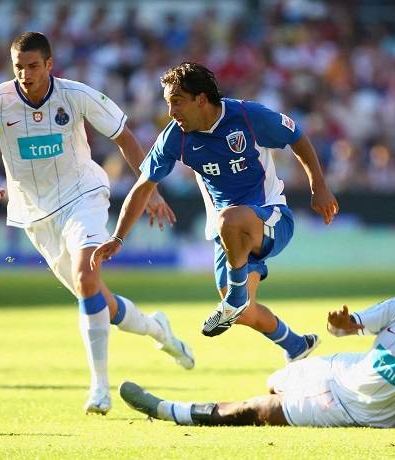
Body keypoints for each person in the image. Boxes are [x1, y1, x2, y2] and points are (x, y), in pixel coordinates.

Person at [0, 32, 194, 415]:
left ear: (49, 65)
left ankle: (99, 388)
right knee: (96, 297)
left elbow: (124, 137)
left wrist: (149, 188)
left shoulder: (76, 95)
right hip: (36, 215)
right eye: (19, 67)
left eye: (33, 66)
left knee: (87, 277)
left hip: (83, 195)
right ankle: (158, 329)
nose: (26, 74)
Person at [91, 62, 339, 363]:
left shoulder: (249, 116)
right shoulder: (175, 137)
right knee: (245, 313)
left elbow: (297, 137)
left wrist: (319, 187)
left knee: (230, 225)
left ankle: (235, 296)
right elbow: (143, 187)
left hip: (270, 216)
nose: (171, 112)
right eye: (168, 103)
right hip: (229, 238)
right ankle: (296, 345)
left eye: (177, 102)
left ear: (201, 99)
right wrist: (117, 237)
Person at [119, 268, 395, 429]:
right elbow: (343, 327)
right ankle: (297, 369)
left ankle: (169, 410)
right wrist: (339, 325)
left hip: (355, 409)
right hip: (342, 369)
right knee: (273, 383)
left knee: (257, 409)